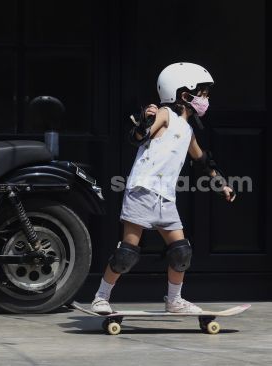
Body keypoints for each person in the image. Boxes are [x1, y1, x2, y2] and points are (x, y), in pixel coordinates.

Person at [91, 62, 236, 314]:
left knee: (181, 253)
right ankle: (101, 297)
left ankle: (174, 301)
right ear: (184, 95)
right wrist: (145, 123)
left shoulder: (188, 130)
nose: (206, 99)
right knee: (127, 253)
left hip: (165, 198)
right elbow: (139, 137)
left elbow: (202, 161)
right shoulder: (165, 115)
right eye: (202, 93)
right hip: (142, 190)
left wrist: (221, 183)